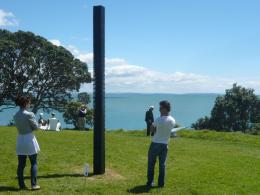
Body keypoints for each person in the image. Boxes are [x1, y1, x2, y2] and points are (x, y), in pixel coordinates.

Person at [13, 95, 41, 190]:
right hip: (29, 139)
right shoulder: (30, 114)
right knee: (34, 163)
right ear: (25, 103)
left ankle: (21, 185)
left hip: (20, 139)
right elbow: (36, 127)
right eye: (29, 102)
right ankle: (34, 185)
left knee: (21, 164)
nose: (30, 104)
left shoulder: (15, 115)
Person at [146, 100, 175, 189]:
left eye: (160, 108)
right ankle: (161, 184)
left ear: (165, 109)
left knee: (151, 164)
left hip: (155, 143)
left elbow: (151, 130)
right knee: (162, 165)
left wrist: (153, 125)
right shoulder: (172, 120)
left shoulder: (158, 119)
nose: (159, 110)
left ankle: (150, 182)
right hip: (165, 144)